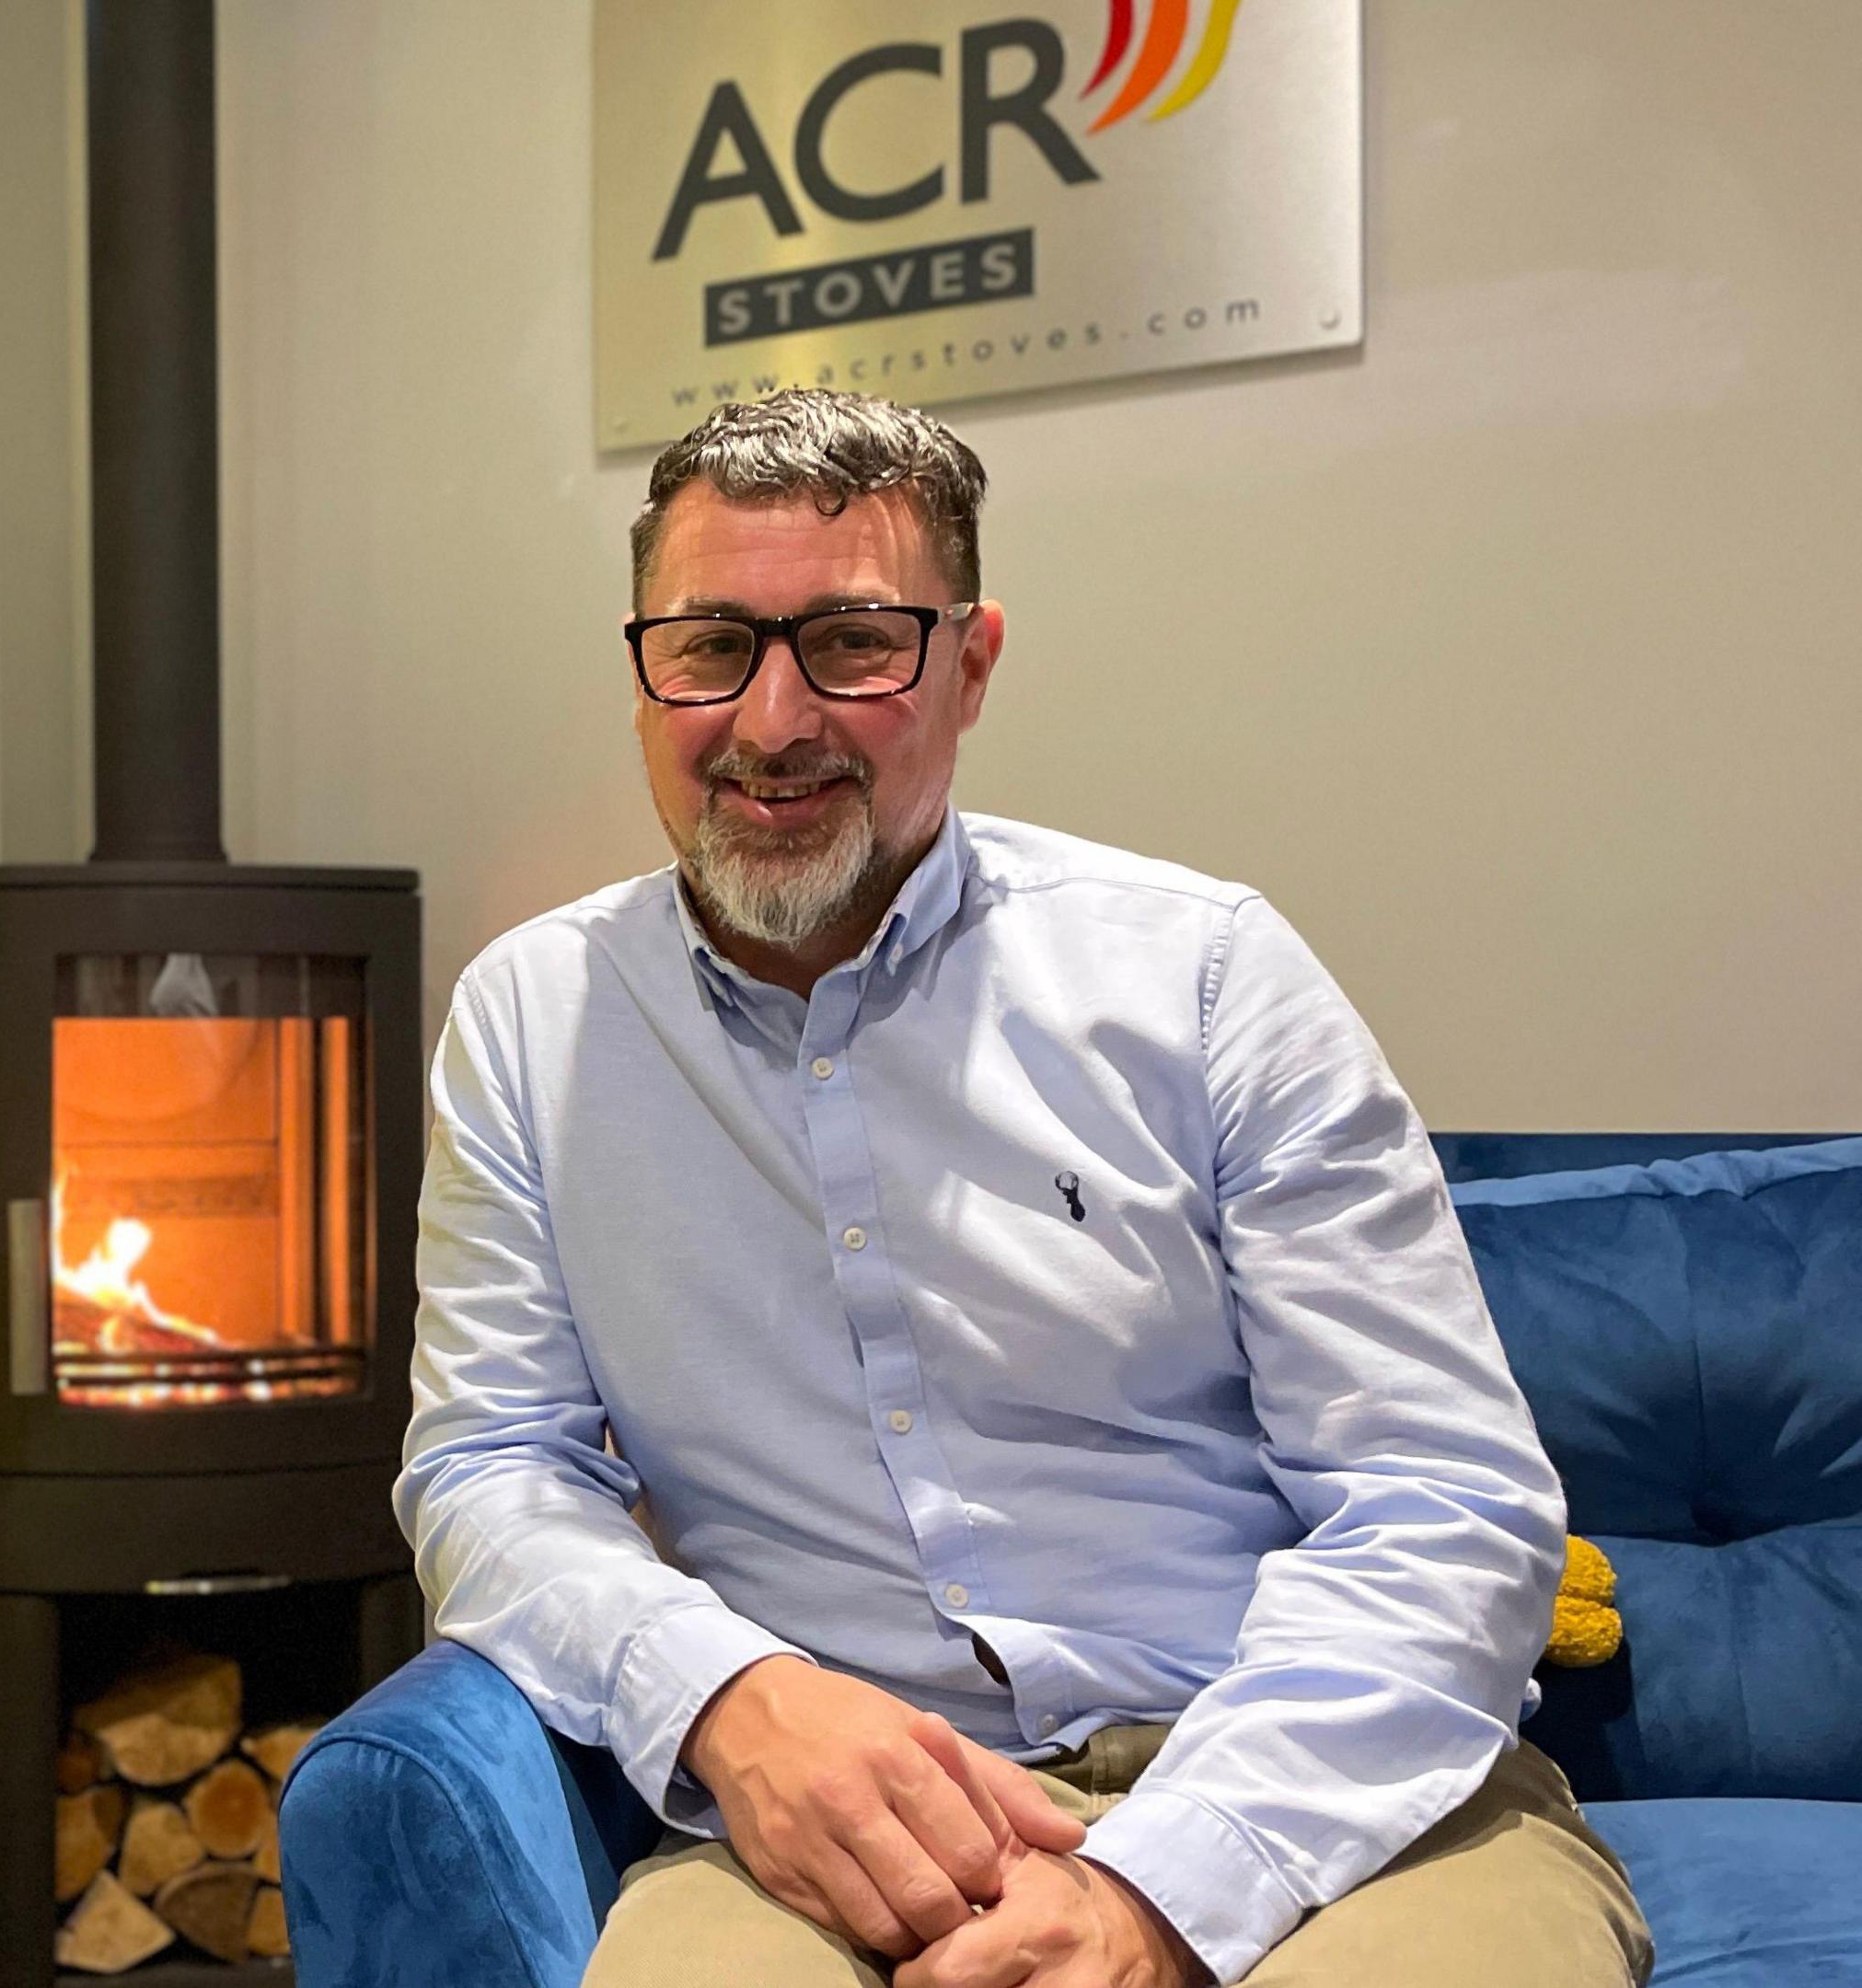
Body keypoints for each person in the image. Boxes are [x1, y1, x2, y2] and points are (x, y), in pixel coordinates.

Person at [395, 388, 1649, 1988]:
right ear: (642, 669)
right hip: (830, 1817)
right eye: (711, 645)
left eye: (854, 643)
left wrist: (1159, 1892)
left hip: (1317, 1795)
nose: (772, 722)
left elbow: (1444, 1502)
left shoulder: (1205, 976)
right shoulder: (530, 1020)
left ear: (971, 663)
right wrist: (722, 1696)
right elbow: (491, 1465)